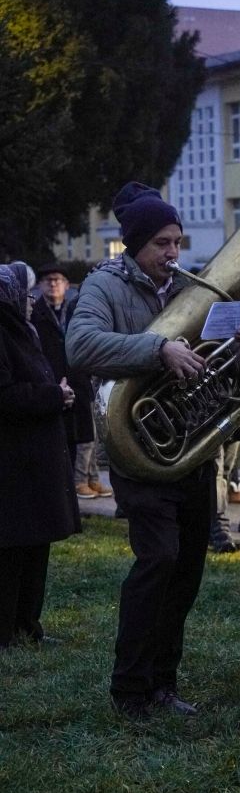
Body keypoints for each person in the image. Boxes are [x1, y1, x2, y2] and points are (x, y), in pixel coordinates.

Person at [66, 181, 240, 718]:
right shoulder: (104, 287)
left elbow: (219, 371)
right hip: (137, 451)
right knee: (158, 562)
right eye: (161, 243)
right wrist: (159, 348)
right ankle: (129, 688)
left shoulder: (184, 287)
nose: (173, 252)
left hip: (188, 450)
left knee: (186, 573)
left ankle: (163, 684)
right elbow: (80, 345)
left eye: (177, 241)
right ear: (135, 245)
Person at [0, 264, 80, 649]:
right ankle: (8, 633)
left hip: (32, 461)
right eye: (25, 292)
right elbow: (5, 396)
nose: (32, 300)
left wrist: (56, 392)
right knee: (12, 554)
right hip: (14, 464)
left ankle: (27, 628)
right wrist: (53, 396)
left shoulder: (20, 328)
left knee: (34, 548)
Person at [32, 263, 111, 499]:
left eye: (58, 280)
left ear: (67, 285)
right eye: (48, 280)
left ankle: (93, 478)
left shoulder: (75, 309)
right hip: (55, 380)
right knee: (73, 434)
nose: (53, 284)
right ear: (40, 285)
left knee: (90, 431)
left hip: (79, 377)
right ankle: (79, 482)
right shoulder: (37, 313)